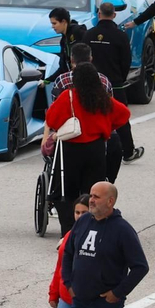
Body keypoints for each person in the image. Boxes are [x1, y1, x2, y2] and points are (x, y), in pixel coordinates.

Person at [45, 63, 130, 235]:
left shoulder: (68, 96)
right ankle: (91, 229)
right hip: (96, 150)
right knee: (91, 193)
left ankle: (69, 231)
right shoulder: (103, 99)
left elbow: (52, 120)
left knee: (66, 192)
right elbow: (124, 114)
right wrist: (106, 125)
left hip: (70, 149)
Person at [62, 181, 149, 308]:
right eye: (91, 196)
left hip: (106, 306)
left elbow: (140, 267)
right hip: (80, 302)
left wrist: (117, 293)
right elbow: (68, 253)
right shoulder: (82, 221)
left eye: (96, 197)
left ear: (110, 201)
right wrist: (69, 284)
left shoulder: (123, 230)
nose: (91, 200)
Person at [48, 195, 91, 308]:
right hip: (66, 298)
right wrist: (54, 293)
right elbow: (60, 266)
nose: (80, 216)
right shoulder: (69, 235)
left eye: (84, 212)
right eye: (77, 212)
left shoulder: (97, 237)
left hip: (86, 300)